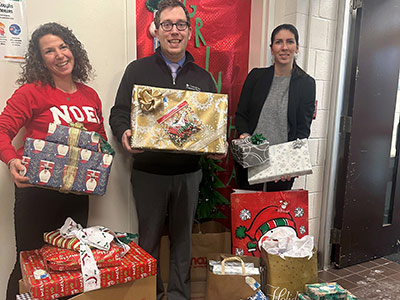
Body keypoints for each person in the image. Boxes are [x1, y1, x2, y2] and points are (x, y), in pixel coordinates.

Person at [109, 0, 223, 299]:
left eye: (181, 25)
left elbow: (213, 124)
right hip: (149, 173)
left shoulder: (203, 78)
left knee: (183, 241)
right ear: (156, 31)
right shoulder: (138, 70)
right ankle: (150, 295)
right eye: (167, 25)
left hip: (189, 174)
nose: (174, 31)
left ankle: (178, 296)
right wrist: (124, 135)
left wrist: (216, 144)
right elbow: (119, 112)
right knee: (148, 241)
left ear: (189, 31)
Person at [0, 22, 107, 300]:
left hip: (76, 196)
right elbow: (2, 130)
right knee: (30, 265)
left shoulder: (90, 96)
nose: (59, 55)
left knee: (69, 266)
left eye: (63, 46)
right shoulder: (31, 92)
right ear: (40, 59)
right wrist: (12, 161)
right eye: (49, 51)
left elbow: (100, 142)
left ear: (73, 50)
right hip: (36, 194)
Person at [235, 23, 315, 191]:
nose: (284, 47)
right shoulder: (256, 77)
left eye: (290, 42)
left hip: (282, 164)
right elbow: (241, 114)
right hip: (251, 158)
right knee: (249, 213)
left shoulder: (306, 84)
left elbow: (302, 130)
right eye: (278, 42)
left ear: (297, 47)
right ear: (272, 48)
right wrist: (245, 137)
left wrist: (292, 162)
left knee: (275, 214)